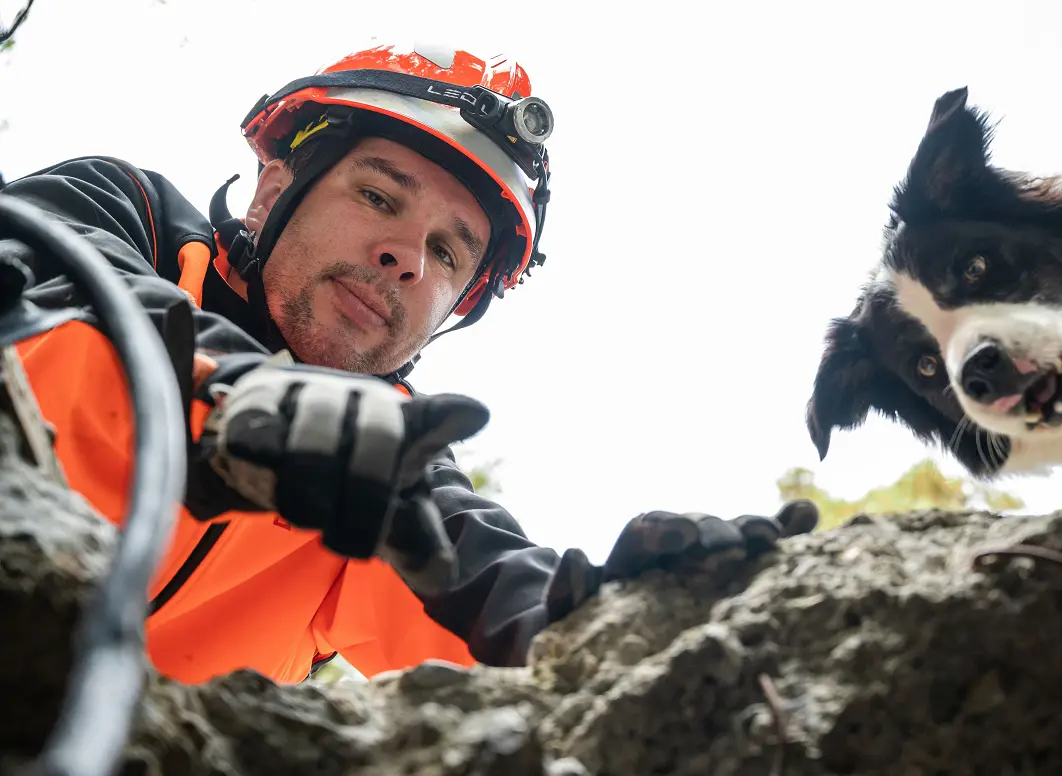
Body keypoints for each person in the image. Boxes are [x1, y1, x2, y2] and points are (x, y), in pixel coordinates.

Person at [0, 40, 817, 686]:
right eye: (379, 198)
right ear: (272, 189)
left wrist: (639, 611)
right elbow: (42, 294)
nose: (405, 259)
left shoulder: (392, 475)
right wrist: (248, 406)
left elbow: (507, 606)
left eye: (448, 253)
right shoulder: (120, 211)